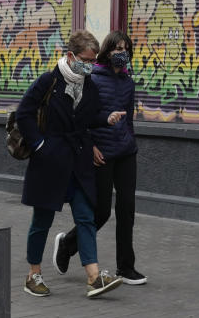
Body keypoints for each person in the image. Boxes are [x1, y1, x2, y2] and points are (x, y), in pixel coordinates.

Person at [18, 30, 127, 298]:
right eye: (85, 60)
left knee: (86, 217)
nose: (89, 66)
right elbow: (24, 113)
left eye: (92, 61)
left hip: (78, 161)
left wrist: (106, 119)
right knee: (41, 220)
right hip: (50, 161)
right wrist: (40, 146)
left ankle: (93, 277)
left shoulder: (88, 84)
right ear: (71, 56)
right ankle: (33, 274)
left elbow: (88, 118)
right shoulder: (49, 81)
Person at [53, 30, 146, 285]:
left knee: (127, 209)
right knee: (102, 211)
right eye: (117, 49)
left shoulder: (128, 82)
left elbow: (129, 117)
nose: (122, 54)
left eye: (126, 49)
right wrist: (90, 145)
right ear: (106, 52)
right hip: (101, 153)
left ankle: (126, 268)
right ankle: (67, 244)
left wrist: (130, 141)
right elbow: (80, 117)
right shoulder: (91, 78)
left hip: (126, 152)